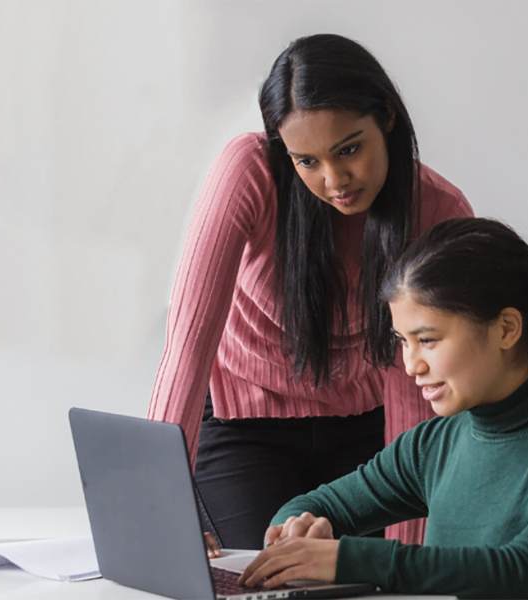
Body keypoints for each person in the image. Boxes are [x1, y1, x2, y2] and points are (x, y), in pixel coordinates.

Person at [148, 33, 474, 551]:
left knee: (362, 577)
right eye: (307, 161)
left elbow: (413, 384)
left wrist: (405, 555)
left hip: (368, 437)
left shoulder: (436, 211)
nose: (335, 179)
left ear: (386, 118)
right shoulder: (247, 172)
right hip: (244, 426)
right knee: (265, 577)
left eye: (349, 149)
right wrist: (160, 508)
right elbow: (188, 346)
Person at [237, 218, 528, 600]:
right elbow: (318, 504)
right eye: (403, 341)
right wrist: (294, 531)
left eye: (427, 340)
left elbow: (520, 575)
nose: (411, 365)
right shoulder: (432, 445)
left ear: (506, 329)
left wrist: (347, 559)